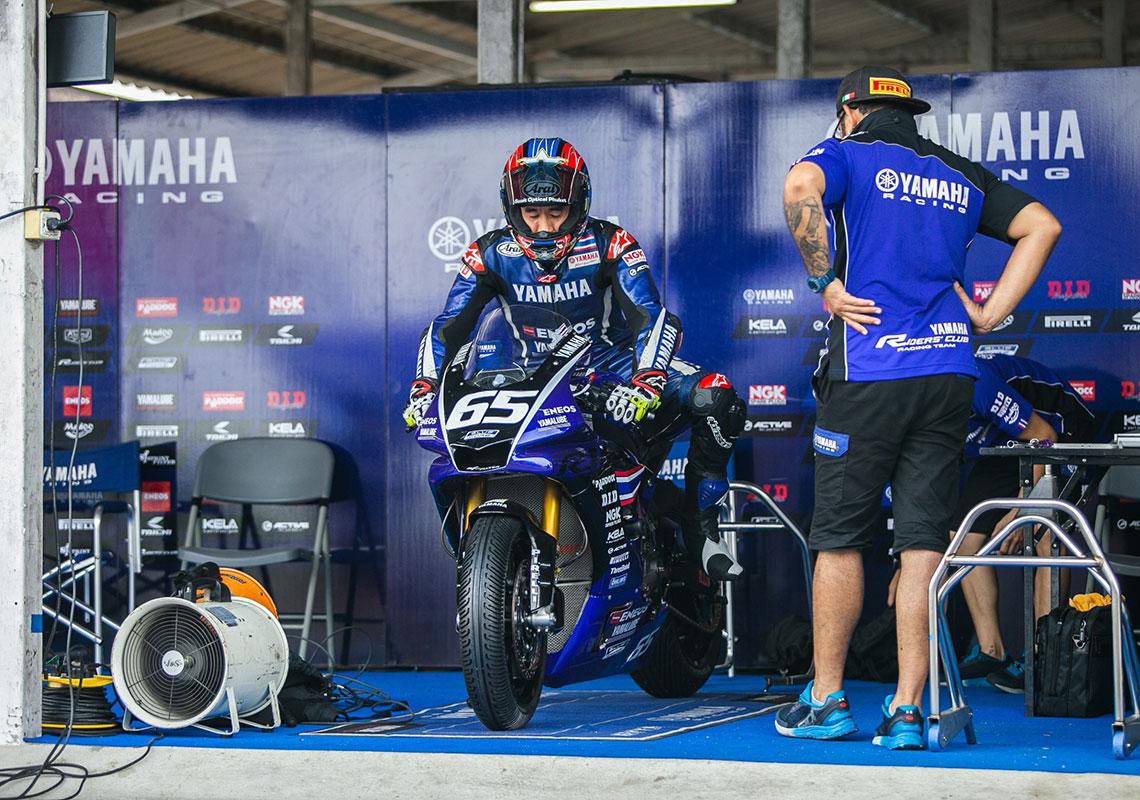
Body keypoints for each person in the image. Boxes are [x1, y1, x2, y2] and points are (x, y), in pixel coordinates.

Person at [773, 66, 1062, 750]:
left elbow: (799, 185)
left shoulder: (846, 152)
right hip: (949, 374)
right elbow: (1042, 225)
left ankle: (827, 699)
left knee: (840, 539)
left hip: (870, 371)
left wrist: (825, 282)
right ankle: (908, 710)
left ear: (850, 112)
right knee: (924, 543)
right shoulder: (958, 171)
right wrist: (990, 312)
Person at [402, 137, 747, 581]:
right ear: (511, 208)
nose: (544, 227)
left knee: (716, 398)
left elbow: (650, 316)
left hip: (613, 369)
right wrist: (424, 386)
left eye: (555, 212)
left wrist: (646, 379)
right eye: (532, 213)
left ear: (579, 203)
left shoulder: (613, 243)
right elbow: (448, 327)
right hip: (528, 379)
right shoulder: (486, 253)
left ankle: (699, 528)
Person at [888, 354, 1097, 692]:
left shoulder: (974, 383)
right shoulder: (907, 410)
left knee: (1045, 535)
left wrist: (1021, 509)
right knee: (962, 538)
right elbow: (922, 490)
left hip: (1058, 430)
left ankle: (1045, 657)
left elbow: (1043, 436)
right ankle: (992, 651)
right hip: (1006, 442)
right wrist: (906, 562)